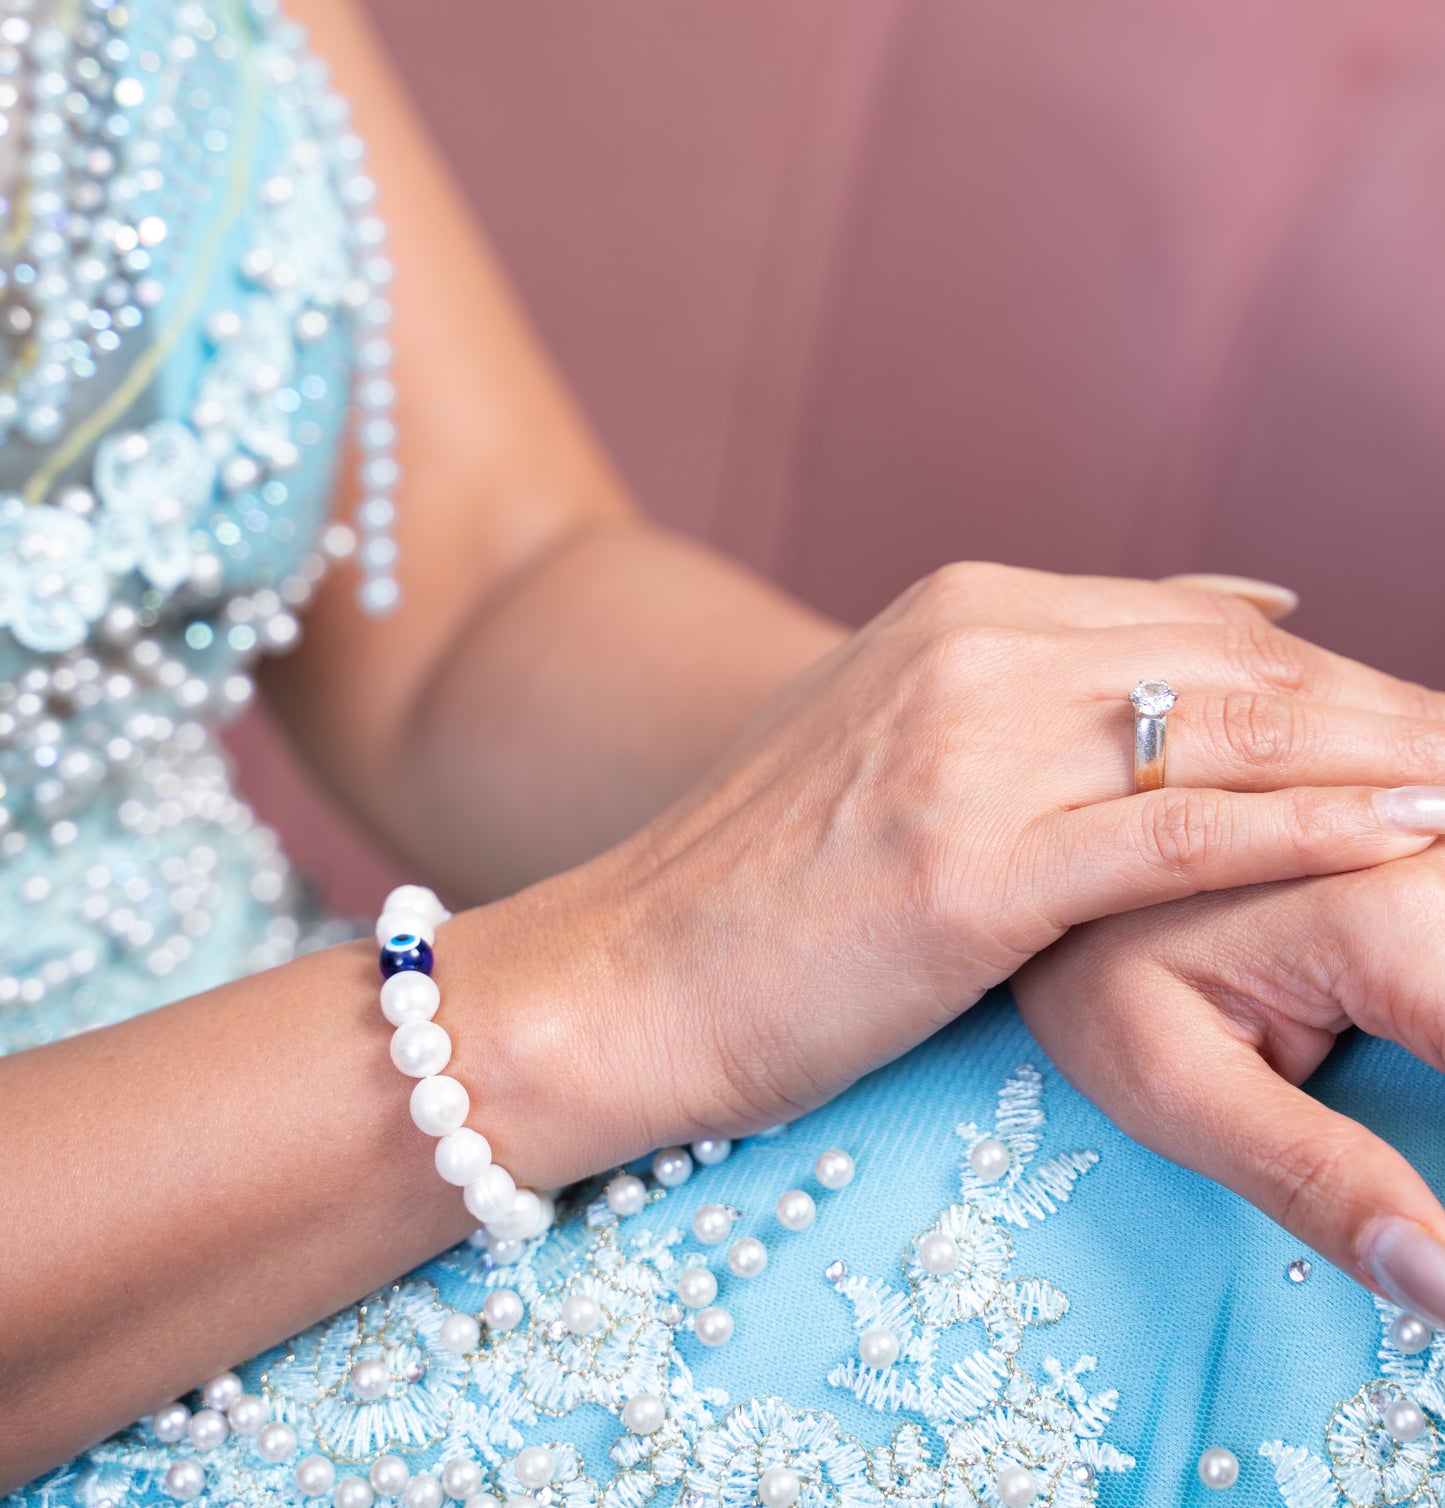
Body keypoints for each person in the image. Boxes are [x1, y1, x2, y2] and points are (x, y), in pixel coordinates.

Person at [3, 2, 1445, 1505]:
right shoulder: (579, 1003)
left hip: (409, 1089)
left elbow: (477, 606)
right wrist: (606, 988)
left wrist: (1032, 844)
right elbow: (605, 966)